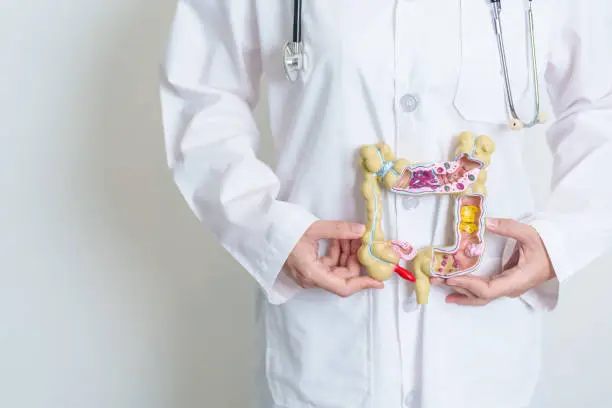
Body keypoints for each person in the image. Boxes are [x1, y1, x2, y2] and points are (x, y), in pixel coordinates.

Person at [159, 1, 612, 407]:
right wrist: (268, 230)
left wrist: (560, 241)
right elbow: (202, 94)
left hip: (483, 346)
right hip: (328, 335)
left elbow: (600, 102)